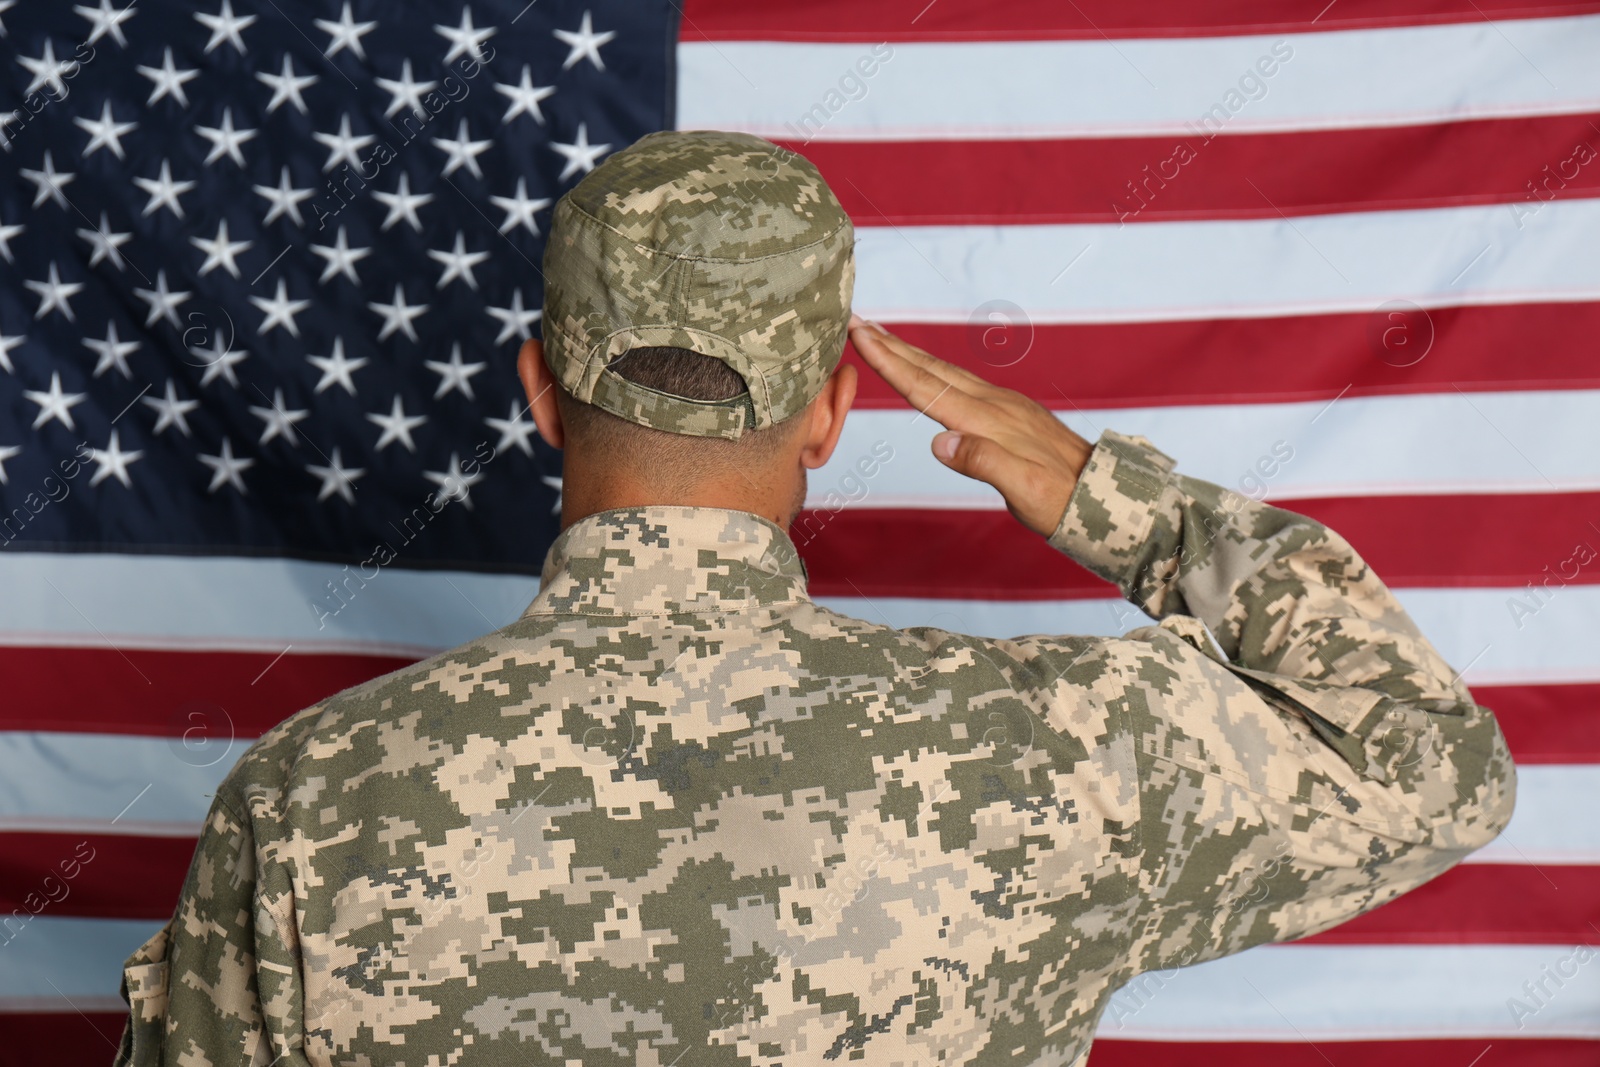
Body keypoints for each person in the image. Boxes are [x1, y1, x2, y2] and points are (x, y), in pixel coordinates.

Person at [115, 129, 1516, 1067]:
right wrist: (1108, 492)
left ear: (540, 392)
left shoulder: (307, 798)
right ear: (834, 412)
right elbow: (1430, 764)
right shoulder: (1053, 752)